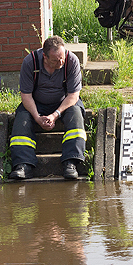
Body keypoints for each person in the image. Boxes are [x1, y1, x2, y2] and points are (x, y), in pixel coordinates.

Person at [9, 36, 86, 180]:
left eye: (62, 57)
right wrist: (37, 117)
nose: (61, 62)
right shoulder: (30, 62)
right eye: (56, 60)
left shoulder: (72, 61)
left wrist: (55, 115)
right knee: (22, 118)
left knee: (76, 113)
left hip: (64, 103)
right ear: (45, 56)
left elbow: (73, 95)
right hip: (36, 103)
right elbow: (26, 96)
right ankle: (23, 164)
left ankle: (71, 162)